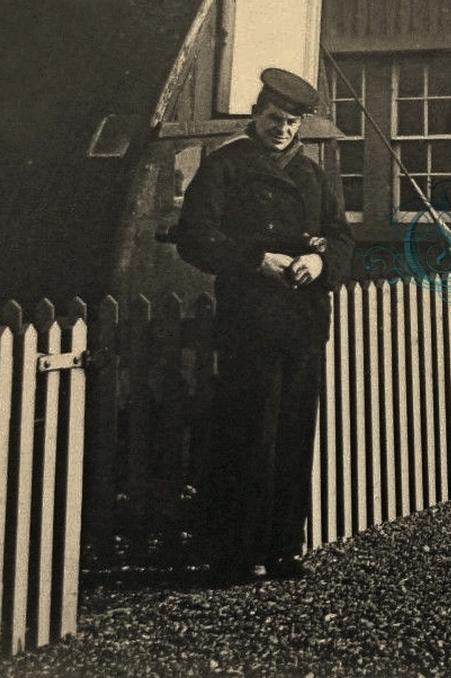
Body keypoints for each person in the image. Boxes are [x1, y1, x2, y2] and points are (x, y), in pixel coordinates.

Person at [175, 67, 354, 583]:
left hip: (303, 326)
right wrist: (257, 261)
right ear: (256, 114)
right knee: (245, 437)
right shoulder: (225, 168)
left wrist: (321, 265)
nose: (283, 130)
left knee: (294, 437)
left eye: (293, 122)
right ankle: (233, 554)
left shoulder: (314, 176)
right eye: (275, 119)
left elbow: (341, 239)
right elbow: (195, 238)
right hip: (249, 324)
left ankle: (282, 549)